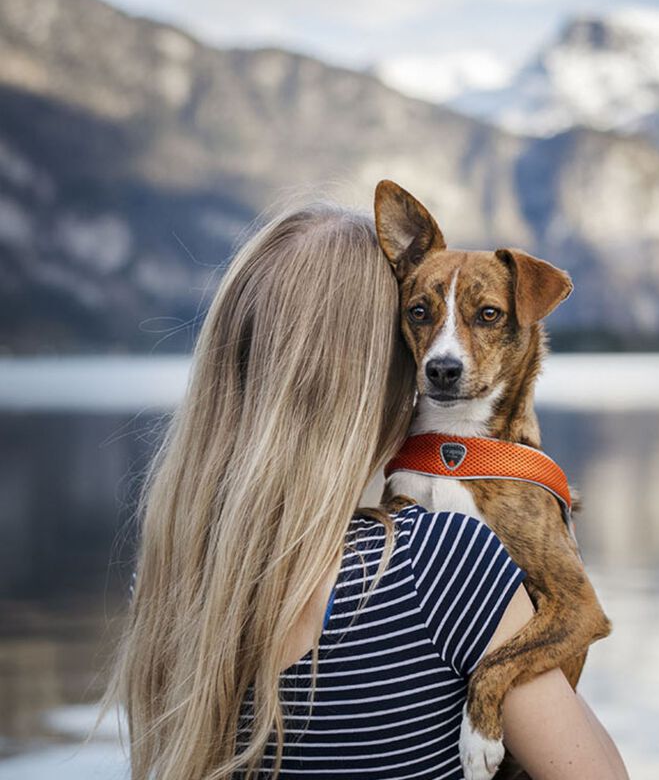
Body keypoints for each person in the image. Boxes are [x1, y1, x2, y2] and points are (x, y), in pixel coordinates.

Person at [104, 202, 629, 780]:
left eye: (479, 318)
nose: (440, 354)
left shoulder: (168, 567)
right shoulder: (440, 561)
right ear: (384, 362)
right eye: (417, 321)